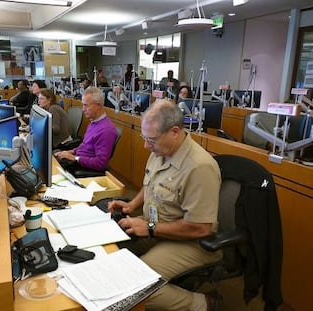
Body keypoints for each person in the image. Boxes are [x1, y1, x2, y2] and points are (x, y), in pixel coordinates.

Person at [108, 100, 222, 311]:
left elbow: (201, 228)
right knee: (110, 248)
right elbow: (151, 184)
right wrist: (131, 205)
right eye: (144, 138)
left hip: (192, 241)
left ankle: (203, 304)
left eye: (150, 139)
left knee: (138, 287)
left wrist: (150, 228)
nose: (146, 145)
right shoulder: (160, 150)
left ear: (175, 132)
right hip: (157, 226)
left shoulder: (199, 167)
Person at [54, 87, 118, 174]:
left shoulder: (106, 130)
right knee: (54, 155)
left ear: (98, 105)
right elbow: (85, 146)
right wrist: (72, 152)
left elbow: (100, 163)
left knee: (52, 167)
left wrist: (75, 158)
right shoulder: (94, 122)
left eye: (86, 105)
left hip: (83, 166)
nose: (83, 109)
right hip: (79, 159)